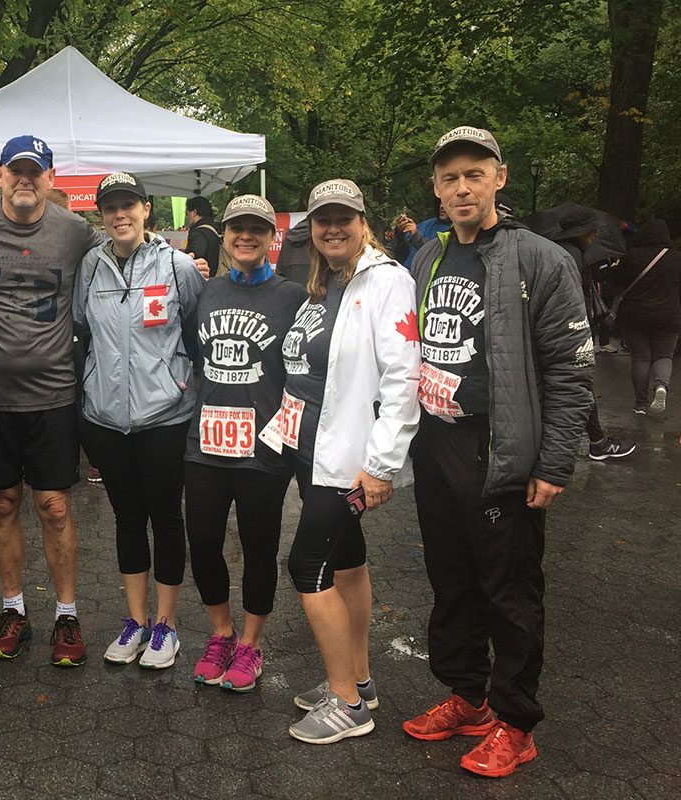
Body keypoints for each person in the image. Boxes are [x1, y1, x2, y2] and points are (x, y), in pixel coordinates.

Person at [405, 126, 592, 778]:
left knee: (510, 592)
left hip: (503, 452)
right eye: (450, 177)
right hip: (437, 446)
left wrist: (554, 461)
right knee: (451, 582)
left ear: (499, 179)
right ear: (436, 187)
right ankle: (467, 696)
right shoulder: (425, 258)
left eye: (474, 174)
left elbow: (570, 368)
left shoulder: (539, 259)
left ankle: (515, 723)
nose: (462, 187)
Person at [0, 135, 102, 666]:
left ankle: (67, 614)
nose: (25, 180)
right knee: (3, 502)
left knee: (54, 506)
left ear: (51, 178)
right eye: (16, 170)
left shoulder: (76, 232)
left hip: (53, 395)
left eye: (36, 171)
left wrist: (184, 264)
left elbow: (127, 254)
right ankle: (13, 608)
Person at [278, 180, 420, 743]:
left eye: (344, 217)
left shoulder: (387, 281)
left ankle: (345, 705)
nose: (332, 227)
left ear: (364, 221)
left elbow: (404, 376)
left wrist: (382, 465)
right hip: (313, 450)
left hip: (352, 462)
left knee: (307, 565)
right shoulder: (326, 281)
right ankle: (358, 679)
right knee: (348, 559)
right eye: (322, 220)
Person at [73, 171, 204, 669]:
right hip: (106, 419)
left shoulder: (176, 267)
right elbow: (80, 329)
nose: (120, 214)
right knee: (127, 519)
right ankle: (136, 620)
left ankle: (166, 626)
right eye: (110, 208)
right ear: (101, 216)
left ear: (147, 210)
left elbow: (193, 332)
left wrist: (178, 384)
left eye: (129, 205)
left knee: (167, 518)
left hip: (165, 416)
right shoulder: (90, 266)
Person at [184, 195, 306, 691]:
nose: (246, 236)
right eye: (237, 228)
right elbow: (193, 354)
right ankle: (221, 634)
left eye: (257, 228)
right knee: (204, 542)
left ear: (271, 236)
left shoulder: (293, 296)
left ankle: (251, 645)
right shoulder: (205, 291)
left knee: (259, 547)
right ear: (226, 234)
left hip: (263, 448)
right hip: (206, 443)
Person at [548, 207, 635, 459]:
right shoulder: (572, 257)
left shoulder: (557, 251)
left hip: (559, 332)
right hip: (568, 333)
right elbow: (571, 297)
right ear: (582, 232)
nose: (596, 233)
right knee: (579, 386)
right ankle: (597, 442)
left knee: (569, 387)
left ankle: (597, 440)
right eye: (591, 229)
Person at [604, 219, 680, 414]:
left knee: (641, 358)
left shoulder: (633, 256)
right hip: (668, 316)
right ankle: (661, 386)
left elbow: (616, 281)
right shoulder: (676, 258)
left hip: (634, 315)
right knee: (664, 355)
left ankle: (641, 405)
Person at [393, 203, 451, 268]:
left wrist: (416, 236)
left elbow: (437, 254)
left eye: (447, 203)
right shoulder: (426, 224)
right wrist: (399, 234)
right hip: (407, 274)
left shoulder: (458, 232)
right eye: (441, 202)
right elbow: (400, 255)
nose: (442, 206)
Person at [183, 196, 222, 275]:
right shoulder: (214, 229)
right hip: (216, 278)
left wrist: (189, 256)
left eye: (187, 213)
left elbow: (196, 251)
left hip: (202, 280)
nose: (187, 217)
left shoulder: (198, 233)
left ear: (194, 212)